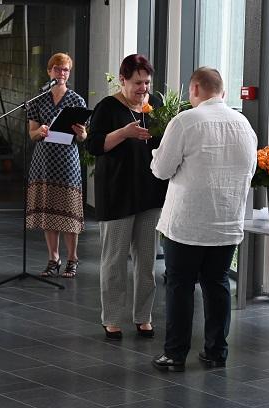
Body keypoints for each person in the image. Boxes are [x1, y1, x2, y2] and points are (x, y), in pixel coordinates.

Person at [149, 68, 257, 371]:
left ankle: (175, 355)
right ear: (223, 91)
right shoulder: (244, 124)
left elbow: (161, 170)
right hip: (227, 221)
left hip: (188, 223)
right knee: (217, 284)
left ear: (194, 89)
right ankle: (216, 352)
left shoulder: (185, 121)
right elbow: (250, 170)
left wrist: (156, 154)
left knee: (180, 286)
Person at [87, 54, 167, 340]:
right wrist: (123, 132)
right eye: (137, 83)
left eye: (146, 82)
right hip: (117, 192)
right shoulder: (108, 107)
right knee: (115, 261)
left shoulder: (154, 106)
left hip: (150, 191)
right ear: (122, 80)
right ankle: (111, 318)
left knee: (147, 262)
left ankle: (143, 316)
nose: (143, 88)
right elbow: (94, 145)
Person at [26, 53, 88, 278]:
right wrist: (39, 132)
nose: (61, 73)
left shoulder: (77, 101)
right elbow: (32, 134)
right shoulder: (38, 100)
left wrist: (82, 133)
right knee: (48, 210)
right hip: (44, 161)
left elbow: (83, 137)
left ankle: (72, 258)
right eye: (57, 69)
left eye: (65, 70)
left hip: (67, 161)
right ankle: (54, 259)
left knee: (68, 210)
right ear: (49, 71)